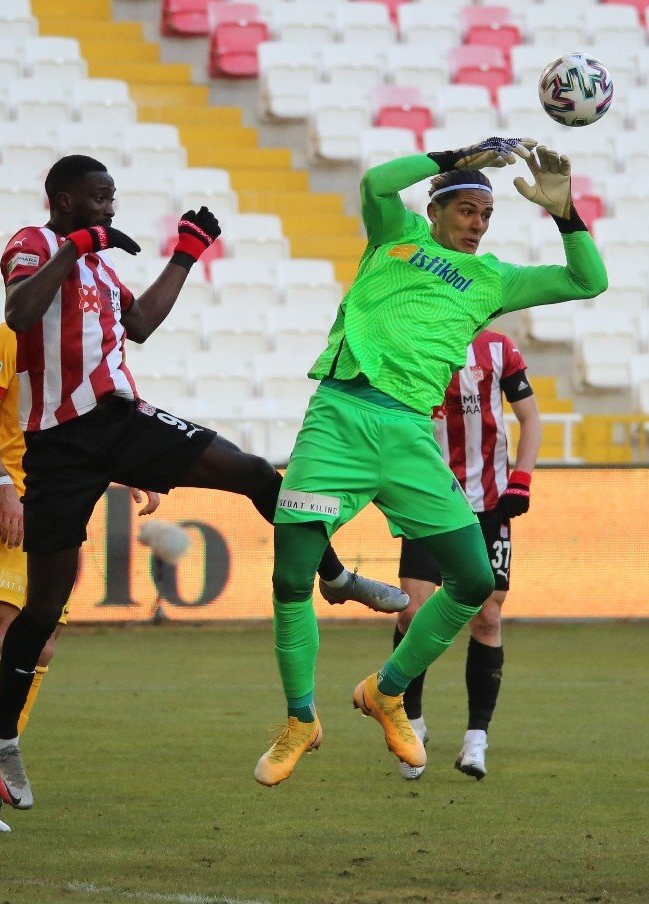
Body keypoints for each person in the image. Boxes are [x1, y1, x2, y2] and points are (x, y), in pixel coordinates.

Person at [0, 154, 406, 810]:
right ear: (64, 201)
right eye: (99, 199)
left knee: (257, 474)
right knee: (45, 605)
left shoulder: (99, 264)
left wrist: (184, 254)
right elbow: (20, 313)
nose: (110, 209)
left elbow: (140, 326)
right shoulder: (35, 244)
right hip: (58, 446)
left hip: (120, 421)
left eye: (112, 198)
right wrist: (76, 245)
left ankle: (335, 575)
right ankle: (2, 737)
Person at [255, 138, 608, 786]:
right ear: (439, 206)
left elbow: (591, 280)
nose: (477, 224)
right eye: (467, 210)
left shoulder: (493, 279)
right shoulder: (398, 234)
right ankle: (300, 720)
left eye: (486, 215)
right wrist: (454, 156)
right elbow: (376, 183)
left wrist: (565, 214)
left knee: (474, 583)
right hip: (339, 416)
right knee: (290, 575)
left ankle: (387, 691)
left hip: (411, 436)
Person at [0, 322, 161, 832]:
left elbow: (96, 426)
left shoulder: (88, 342)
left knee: (41, 644)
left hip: (59, 505)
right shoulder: (9, 337)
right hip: (11, 502)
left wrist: (133, 466)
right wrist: (1, 486)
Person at [393, 329, 541, 782]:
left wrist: (523, 478)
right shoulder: (412, 342)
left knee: (488, 617)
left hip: (490, 503)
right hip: (429, 499)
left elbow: (531, 419)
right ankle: (411, 724)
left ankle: (477, 738)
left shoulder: (498, 348)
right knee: (412, 612)